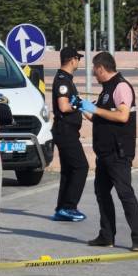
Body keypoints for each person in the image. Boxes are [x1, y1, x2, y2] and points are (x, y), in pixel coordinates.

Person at [74, 52, 138, 251]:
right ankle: (106, 236)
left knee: (125, 194)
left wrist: (95, 110)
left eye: (94, 70)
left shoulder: (121, 86)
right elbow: (100, 117)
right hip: (104, 153)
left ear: (101, 68)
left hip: (118, 152)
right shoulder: (106, 90)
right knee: (101, 192)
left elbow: (122, 117)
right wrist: (81, 107)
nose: (93, 74)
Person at [50, 47, 88, 222]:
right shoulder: (63, 81)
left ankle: (61, 208)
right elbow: (64, 107)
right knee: (81, 167)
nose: (79, 62)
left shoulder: (65, 79)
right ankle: (69, 207)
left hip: (66, 130)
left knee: (68, 170)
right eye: (78, 59)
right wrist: (77, 106)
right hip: (65, 131)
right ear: (72, 59)